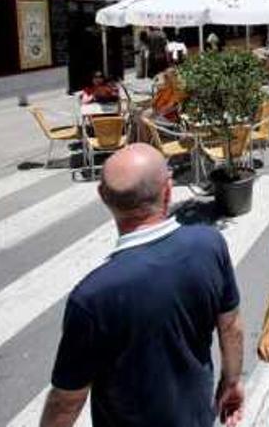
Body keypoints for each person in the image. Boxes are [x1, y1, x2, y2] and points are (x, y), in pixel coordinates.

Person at [41, 144, 244, 427]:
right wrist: (232, 380)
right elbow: (231, 326)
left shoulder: (91, 297)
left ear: (103, 197)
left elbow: (67, 400)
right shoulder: (210, 244)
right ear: (168, 190)